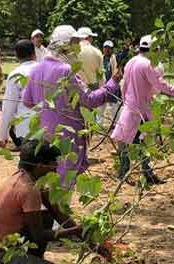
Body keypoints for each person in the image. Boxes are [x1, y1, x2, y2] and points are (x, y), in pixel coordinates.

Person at [23, 25, 120, 184]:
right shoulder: (66, 70)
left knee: (48, 180)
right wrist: (113, 83)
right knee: (65, 181)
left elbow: (27, 101)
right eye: (75, 43)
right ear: (65, 45)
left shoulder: (36, 68)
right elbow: (90, 100)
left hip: (44, 135)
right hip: (67, 137)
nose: (78, 48)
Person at [112, 35, 174, 184]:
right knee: (143, 142)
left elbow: (124, 86)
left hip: (130, 107)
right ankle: (145, 174)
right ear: (154, 49)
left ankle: (126, 173)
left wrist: (127, 101)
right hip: (141, 110)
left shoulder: (131, 62)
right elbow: (162, 86)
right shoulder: (148, 65)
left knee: (127, 141)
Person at [0, 39, 37, 147]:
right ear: (34, 53)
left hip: (25, 129)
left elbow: (8, 107)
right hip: (47, 128)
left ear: (16, 56)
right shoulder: (44, 70)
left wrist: (2, 135)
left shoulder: (16, 74)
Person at [97, 40, 120, 125]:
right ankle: (99, 124)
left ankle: (116, 124)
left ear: (112, 49)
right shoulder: (100, 58)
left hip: (112, 86)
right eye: (106, 48)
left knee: (114, 106)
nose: (107, 50)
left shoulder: (114, 58)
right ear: (103, 49)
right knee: (100, 106)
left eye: (109, 48)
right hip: (102, 86)